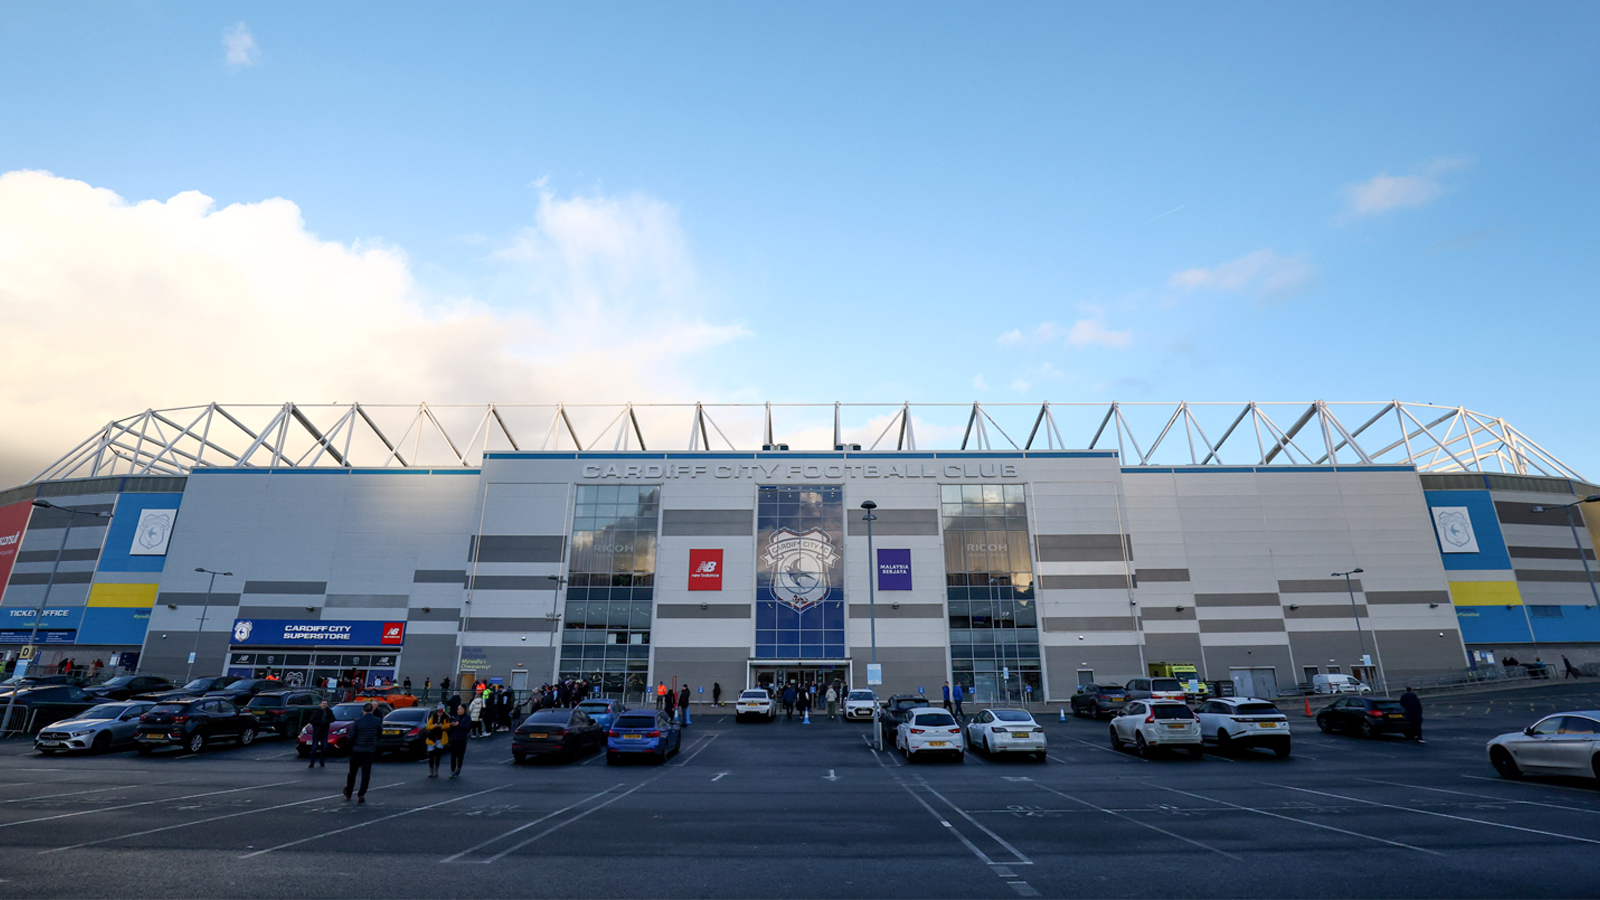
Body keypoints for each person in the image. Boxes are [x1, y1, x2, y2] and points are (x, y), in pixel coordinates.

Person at [344, 702, 382, 802]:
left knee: (352, 772)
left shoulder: (358, 721)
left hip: (357, 749)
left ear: (363, 711)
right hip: (369, 749)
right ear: (371, 711)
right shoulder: (377, 721)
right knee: (366, 773)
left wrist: (350, 746)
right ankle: (361, 793)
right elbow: (379, 733)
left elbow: (350, 736)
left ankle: (349, 791)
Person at [424, 704, 450, 777]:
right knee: (431, 756)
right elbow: (428, 726)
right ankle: (431, 771)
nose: (440, 713)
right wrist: (434, 726)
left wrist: (442, 726)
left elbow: (448, 726)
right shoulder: (433, 718)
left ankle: (436, 770)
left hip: (440, 738)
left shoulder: (446, 718)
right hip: (432, 738)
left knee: (438, 755)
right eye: (438, 711)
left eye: (441, 711)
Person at [307, 699, 335, 768]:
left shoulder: (329, 712)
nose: (324, 705)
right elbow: (311, 720)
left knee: (324, 747)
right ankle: (312, 762)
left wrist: (325, 721)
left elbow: (333, 719)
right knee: (314, 747)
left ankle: (322, 761)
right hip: (317, 731)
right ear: (320, 704)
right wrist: (319, 722)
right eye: (323, 703)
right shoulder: (316, 712)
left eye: (325, 703)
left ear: (327, 705)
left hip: (324, 731)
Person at [448, 703, 471, 777]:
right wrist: (452, 725)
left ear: (463, 710)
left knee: (460, 755)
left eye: (459, 709)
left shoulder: (467, 718)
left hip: (462, 739)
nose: (457, 710)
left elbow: (467, 727)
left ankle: (458, 768)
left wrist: (458, 725)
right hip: (454, 739)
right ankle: (452, 770)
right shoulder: (456, 718)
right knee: (453, 755)